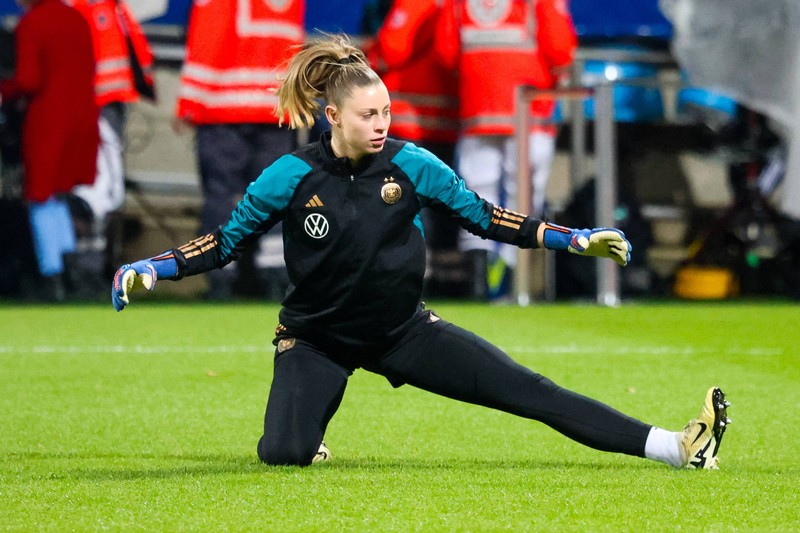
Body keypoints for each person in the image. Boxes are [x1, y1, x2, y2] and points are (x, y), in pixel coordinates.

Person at [111, 35, 730, 469]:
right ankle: (308, 430)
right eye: (367, 114)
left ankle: (675, 446)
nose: (382, 122)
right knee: (283, 456)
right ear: (331, 116)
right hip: (315, 337)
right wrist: (151, 265)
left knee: (530, 390)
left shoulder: (412, 164)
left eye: (386, 110)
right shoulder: (289, 175)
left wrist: (571, 237)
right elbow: (223, 243)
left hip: (403, 332)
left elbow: (487, 218)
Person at [436, 0, 577, 299]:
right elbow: (560, 49)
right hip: (529, 107)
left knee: (475, 190)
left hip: (478, 104)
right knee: (522, 194)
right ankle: (511, 281)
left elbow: (445, 51)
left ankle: (478, 279)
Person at [173, 0, 305, 300]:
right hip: (275, 111)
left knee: (221, 196)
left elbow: (207, 43)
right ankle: (273, 276)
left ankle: (221, 277)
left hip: (223, 109)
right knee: (276, 198)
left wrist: (188, 102)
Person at [0, 0, 99, 301]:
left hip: (49, 118)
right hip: (82, 115)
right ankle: (71, 270)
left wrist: (5, 91)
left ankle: (50, 273)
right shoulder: (77, 19)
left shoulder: (33, 23)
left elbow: (29, 79)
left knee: (40, 195)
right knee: (59, 195)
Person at [365, 0, 463, 294]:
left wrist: (370, 57)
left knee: (406, 203)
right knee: (442, 202)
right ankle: (449, 280)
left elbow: (394, 47)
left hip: (411, 118)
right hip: (446, 119)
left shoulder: (415, 3)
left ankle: (413, 281)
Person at [65, 0, 156, 296]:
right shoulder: (83, 8)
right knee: (94, 190)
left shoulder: (110, 6)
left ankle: (95, 268)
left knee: (109, 192)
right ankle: (85, 271)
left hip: (109, 108)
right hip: (94, 110)